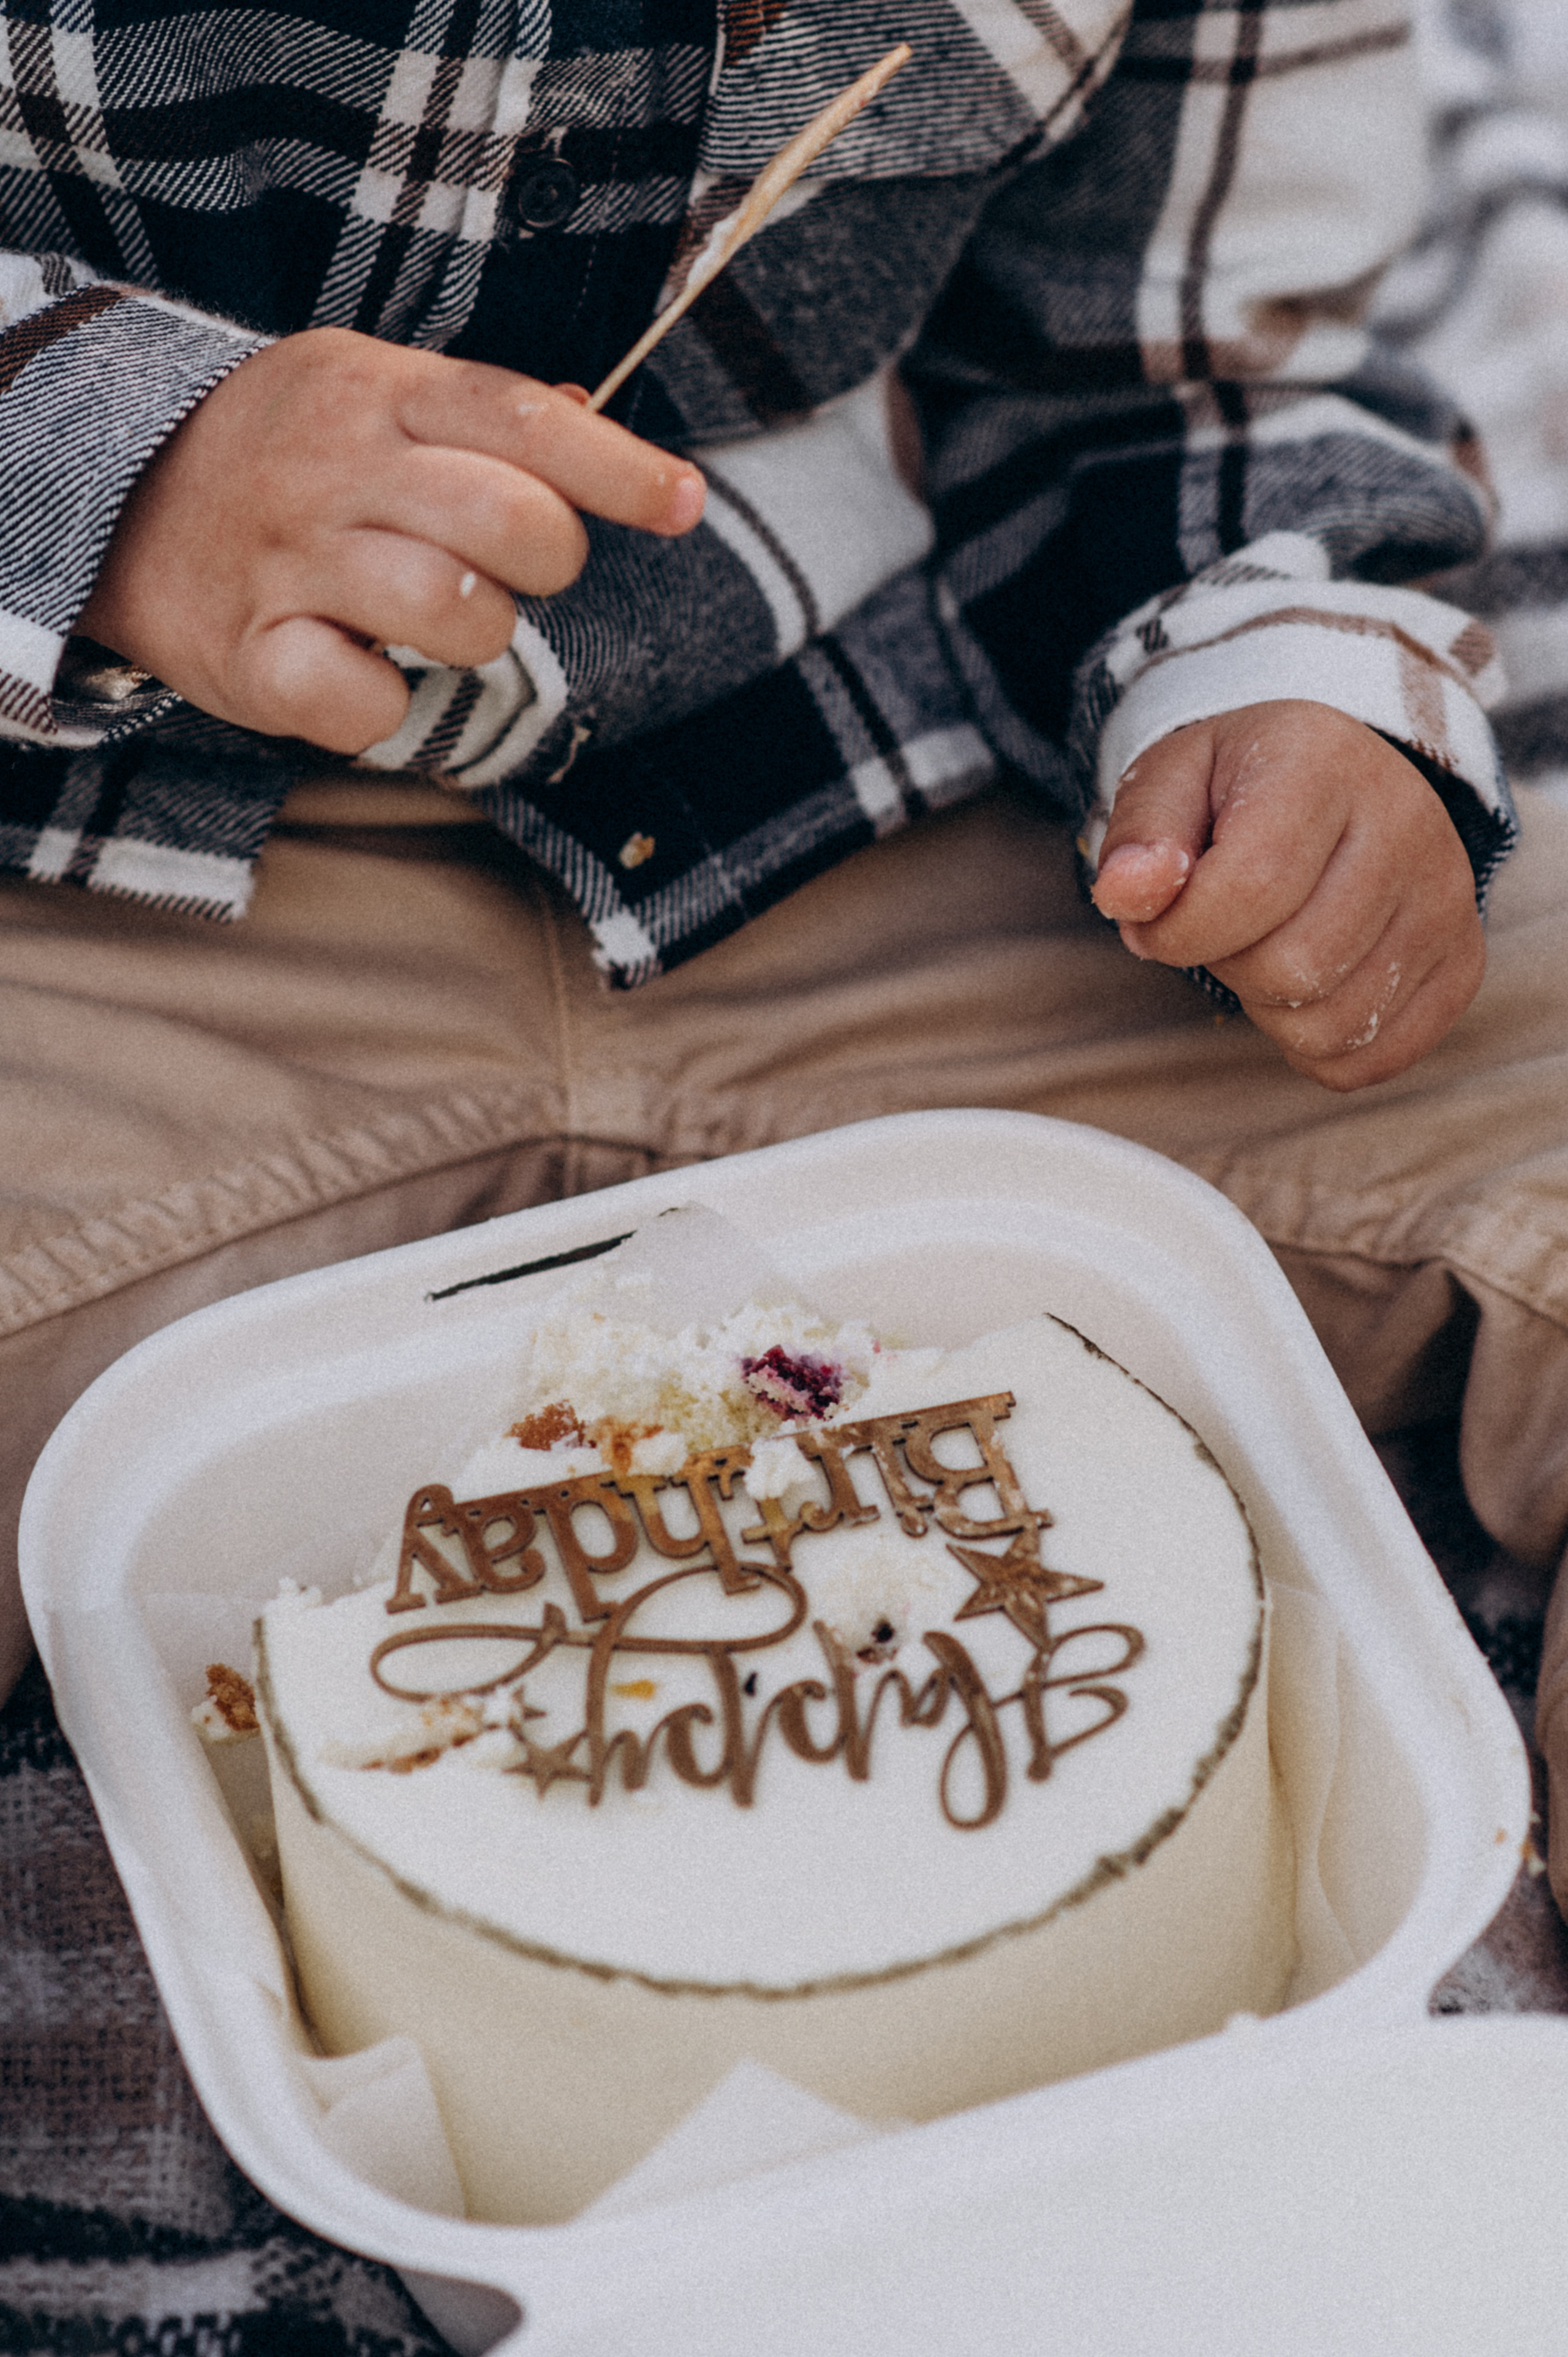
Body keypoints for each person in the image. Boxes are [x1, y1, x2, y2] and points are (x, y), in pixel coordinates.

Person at [4, 0, 1568, 1902]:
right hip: (97, 866)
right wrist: (109, 466)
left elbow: (1155, 371)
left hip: (888, 813)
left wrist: (1279, 694)